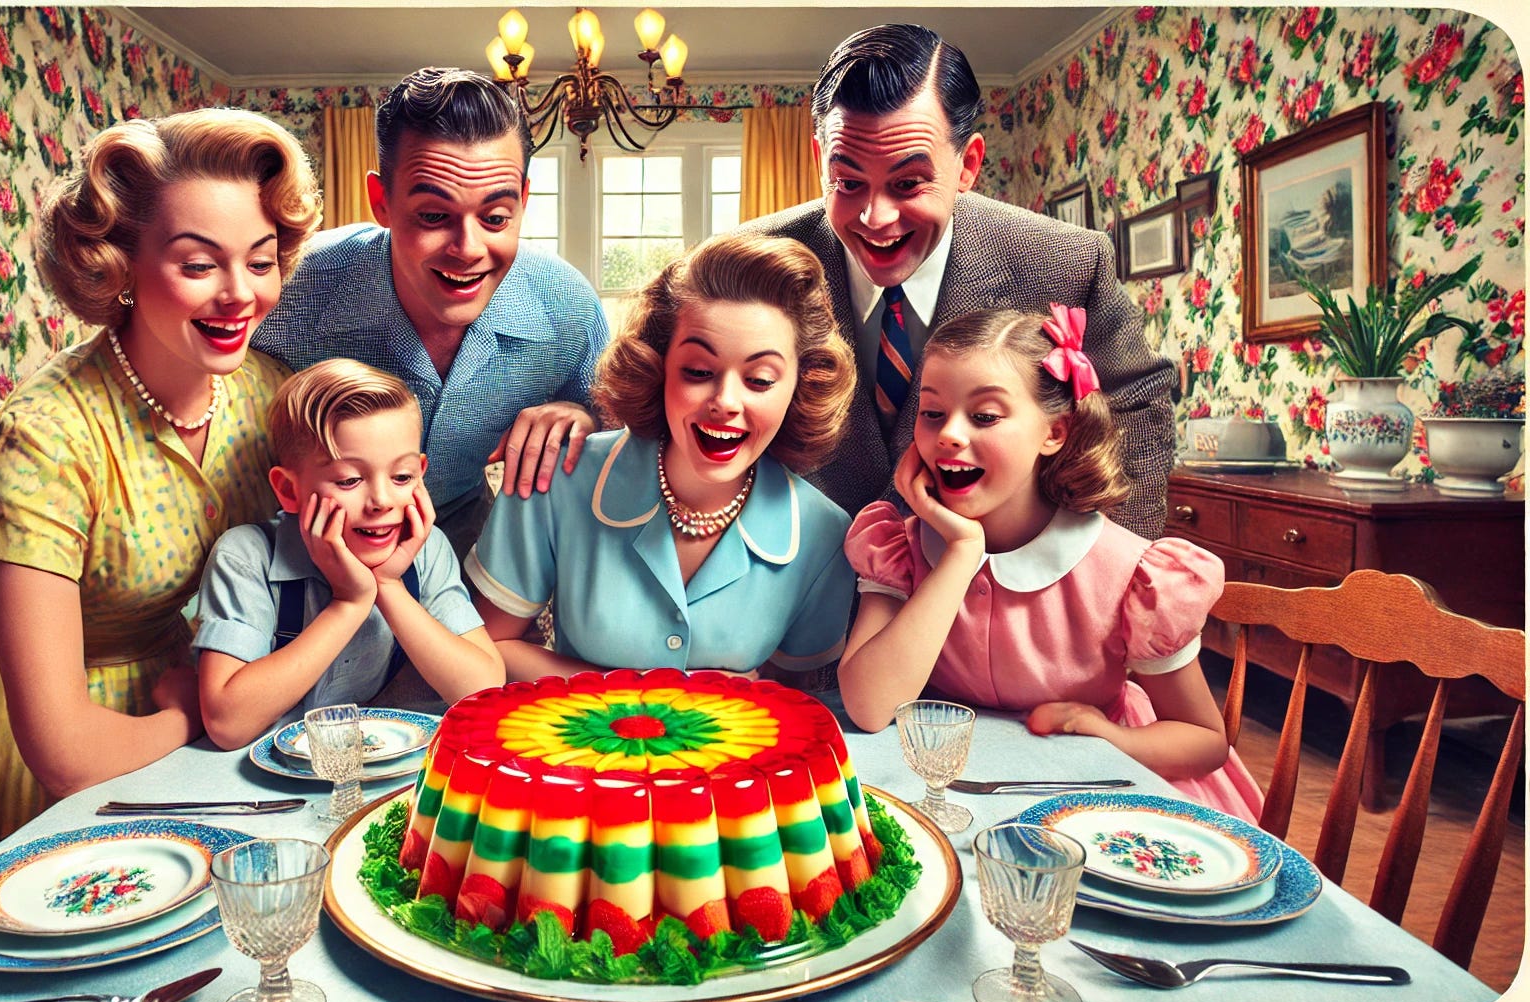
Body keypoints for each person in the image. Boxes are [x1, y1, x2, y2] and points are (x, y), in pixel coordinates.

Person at [0, 108, 322, 893]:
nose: (240, 294)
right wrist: (194, 714)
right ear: (117, 264)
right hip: (61, 763)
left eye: (260, 262)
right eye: (200, 265)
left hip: (197, 728)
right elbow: (61, 751)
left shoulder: (264, 393)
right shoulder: (41, 434)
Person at [741, 23, 1176, 539]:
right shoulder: (751, 261)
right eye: (848, 182)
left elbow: (1137, 407)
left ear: (967, 164)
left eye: (907, 183)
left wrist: (1090, 577)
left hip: (995, 589)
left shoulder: (1069, 261)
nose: (875, 217)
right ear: (820, 161)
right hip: (792, 590)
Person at [839, 304, 1262, 822]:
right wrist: (961, 553)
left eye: (984, 416)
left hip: (1092, 799)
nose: (948, 433)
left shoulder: (1133, 574)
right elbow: (868, 705)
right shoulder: (897, 547)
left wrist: (1109, 735)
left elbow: (1203, 741)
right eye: (932, 413)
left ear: (1054, 432)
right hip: (951, 798)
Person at [253, 67, 610, 558]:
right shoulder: (289, 286)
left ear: (523, 202)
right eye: (434, 216)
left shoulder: (567, 306)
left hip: (467, 545)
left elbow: (621, 436)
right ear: (382, 201)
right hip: (307, 552)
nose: (468, 249)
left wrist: (582, 416)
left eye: (495, 218)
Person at [465, 234, 858, 678]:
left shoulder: (824, 532)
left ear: (801, 386)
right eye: (698, 372)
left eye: (760, 380)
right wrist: (637, 705)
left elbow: (799, 695)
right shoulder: (556, 476)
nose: (726, 401)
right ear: (659, 366)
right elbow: (492, 646)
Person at [192, 358, 503, 748]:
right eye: (349, 480)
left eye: (402, 477)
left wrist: (389, 586)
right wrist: (349, 603)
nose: (381, 500)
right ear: (289, 490)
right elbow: (226, 724)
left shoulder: (424, 551)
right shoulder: (246, 557)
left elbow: (483, 691)